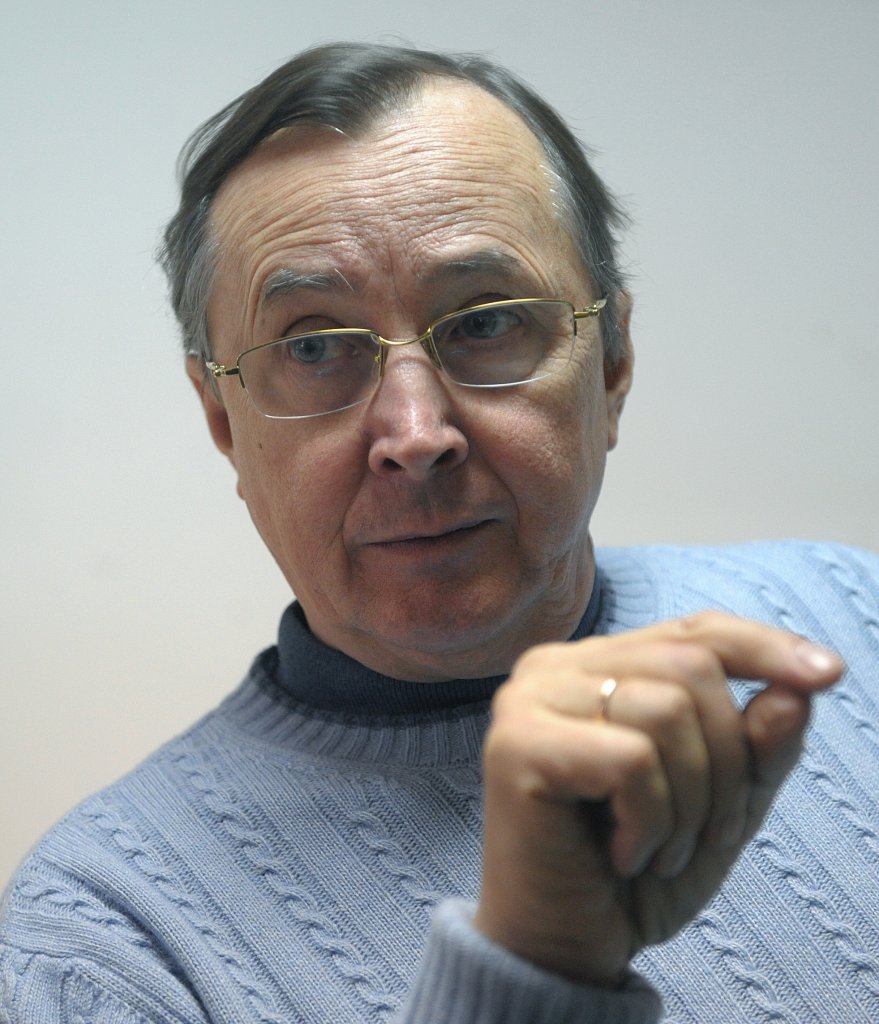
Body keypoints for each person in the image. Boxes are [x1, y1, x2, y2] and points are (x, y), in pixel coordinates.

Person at [1, 41, 877, 1024]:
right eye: (314, 346)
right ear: (223, 422)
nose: (415, 436)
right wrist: (536, 966)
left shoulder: (852, 617)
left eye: (484, 322)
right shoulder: (103, 943)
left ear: (613, 363)